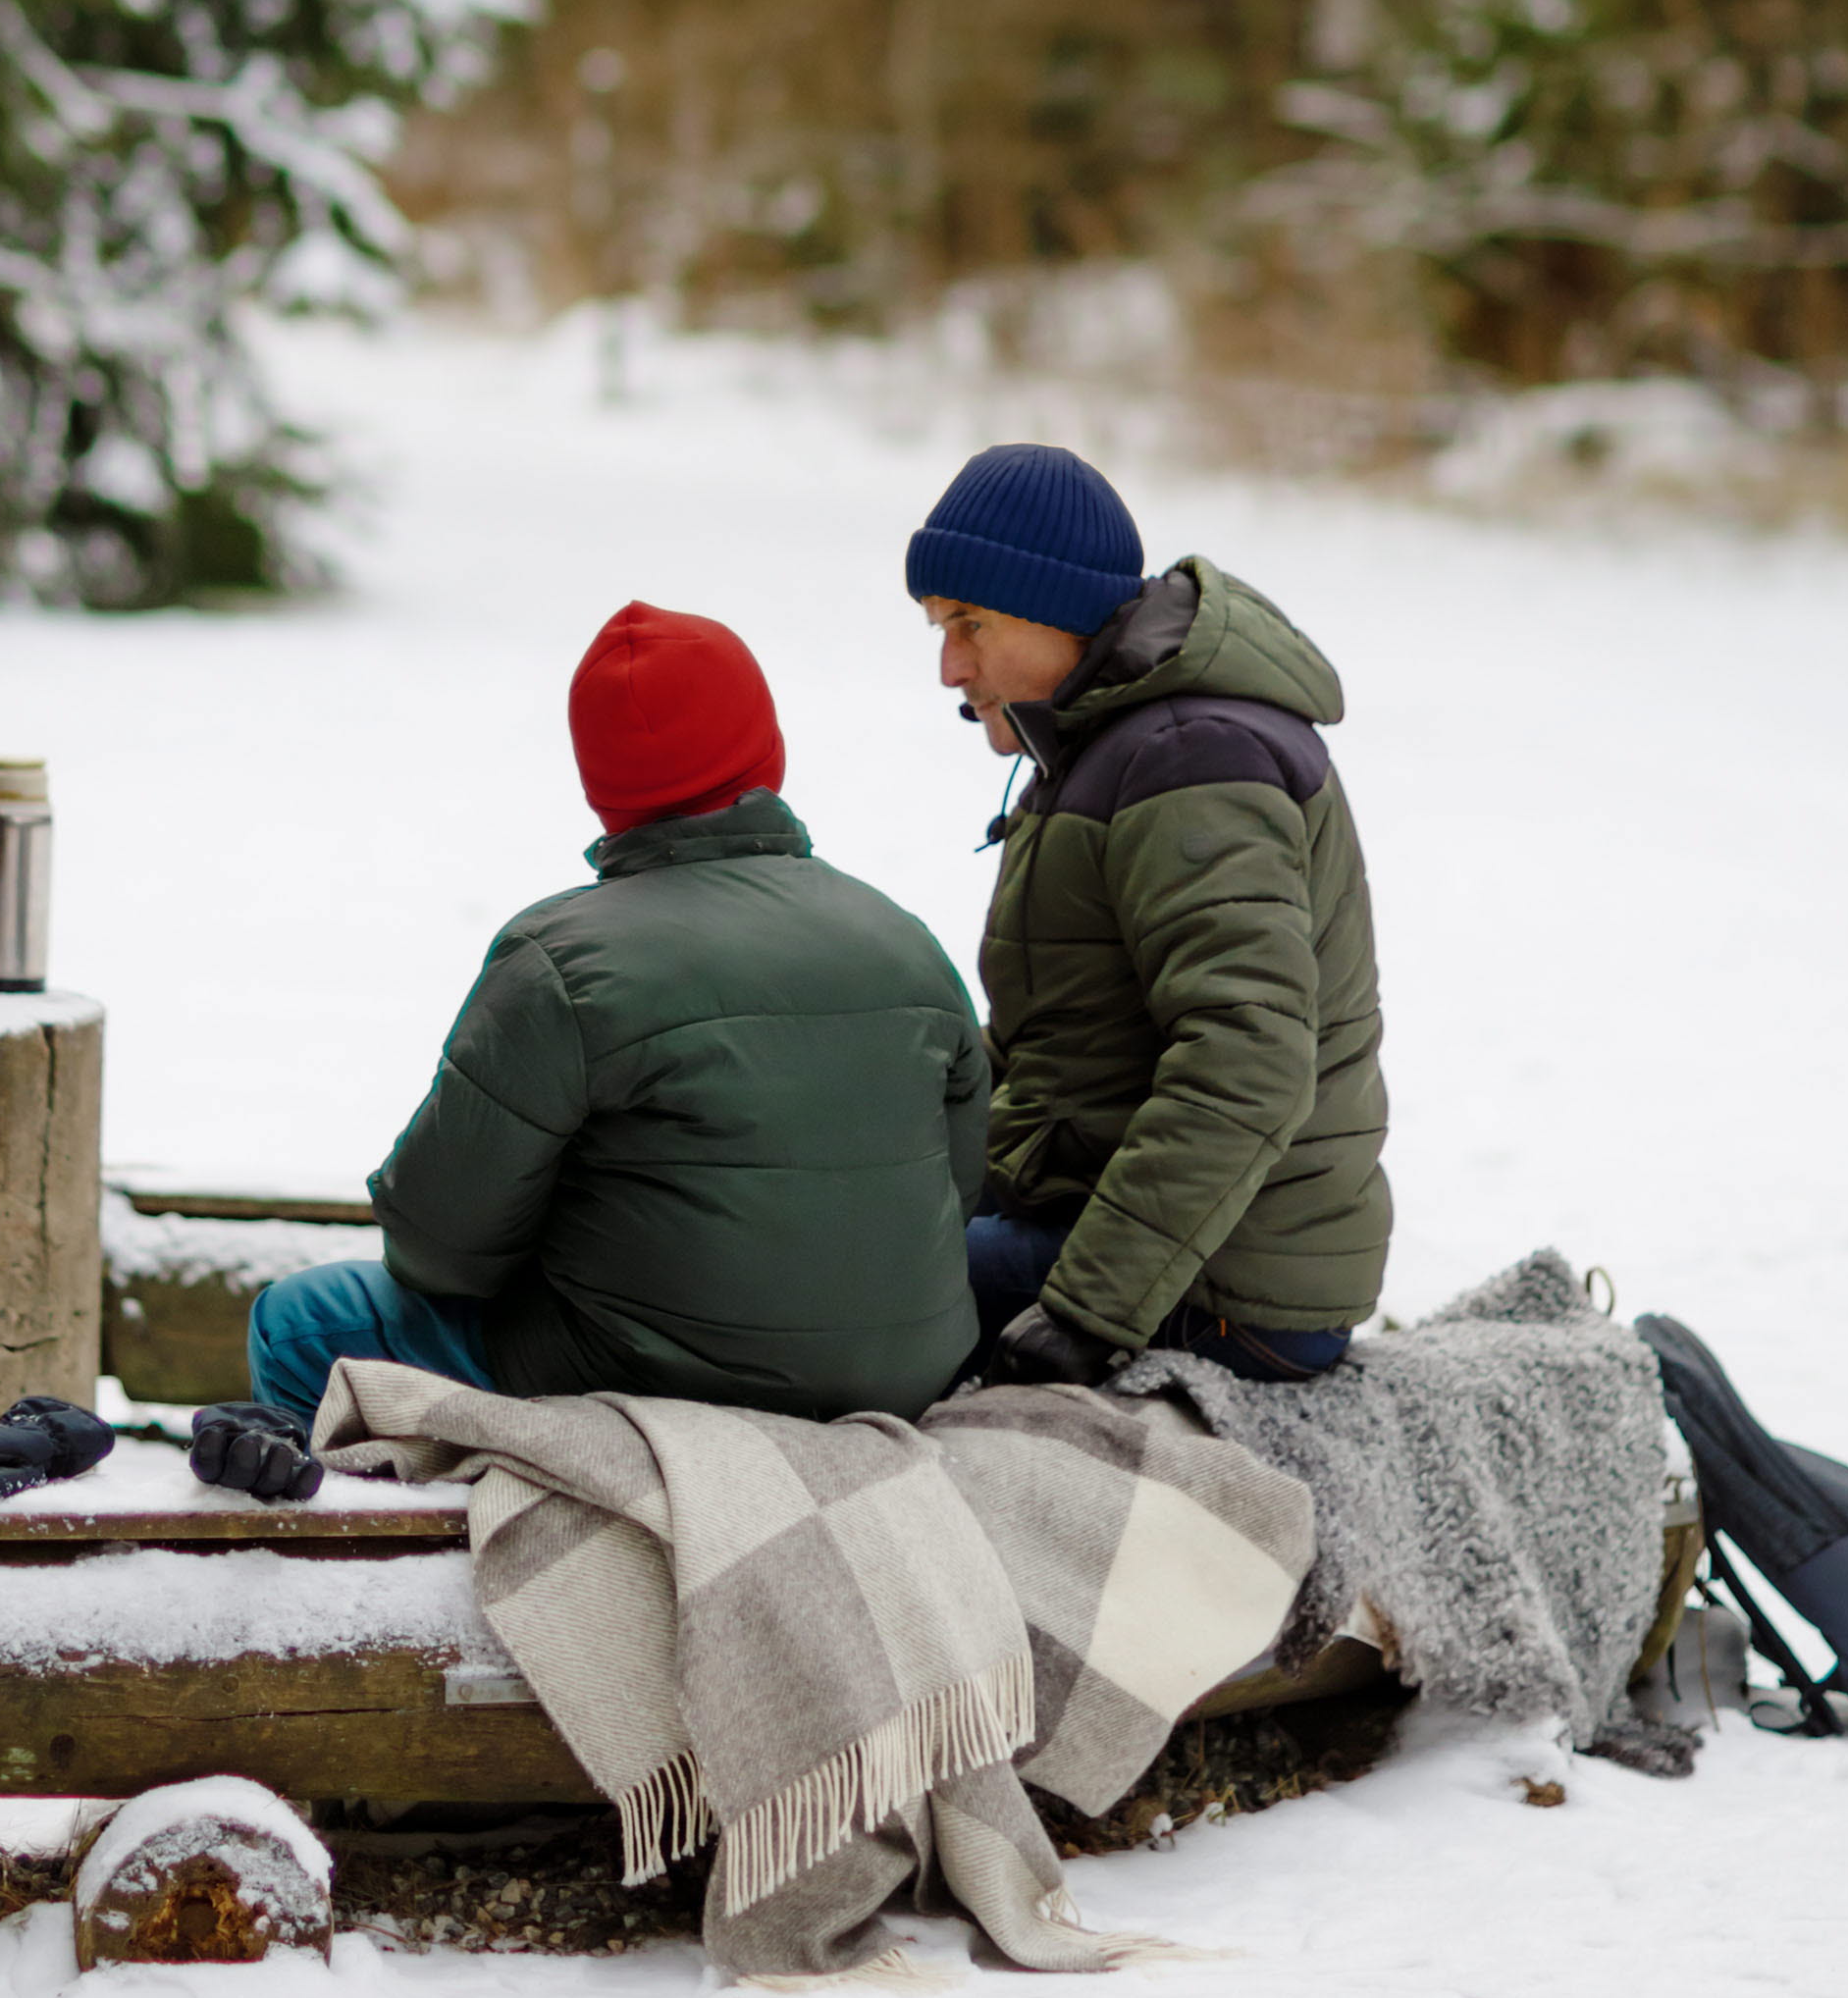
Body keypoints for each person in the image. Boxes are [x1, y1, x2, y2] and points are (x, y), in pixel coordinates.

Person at [238, 600, 987, 1455]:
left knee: (297, 1326)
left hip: (644, 1384)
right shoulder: (904, 937)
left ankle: (381, 1571)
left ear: (602, 786)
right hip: (905, 1374)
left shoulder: (558, 962)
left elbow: (440, 1248)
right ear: (766, 754)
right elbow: (958, 1187)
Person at [910, 443, 1389, 1390]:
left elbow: (1247, 1059)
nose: (947, 666)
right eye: (935, 626)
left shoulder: (1189, 758)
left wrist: (1090, 1312)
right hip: (1138, 1231)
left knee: (843, 1293)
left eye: (970, 623)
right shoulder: (1105, 744)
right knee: (846, 1244)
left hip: (1232, 1282)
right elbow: (1062, 1041)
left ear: (1057, 610)